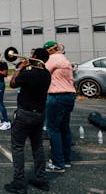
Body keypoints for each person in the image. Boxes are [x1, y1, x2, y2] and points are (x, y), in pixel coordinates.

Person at [4, 48, 52, 194]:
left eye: (32, 55)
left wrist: (19, 68)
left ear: (36, 57)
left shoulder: (28, 72)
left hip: (25, 114)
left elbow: (12, 83)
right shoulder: (46, 74)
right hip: (39, 114)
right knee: (37, 147)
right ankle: (41, 179)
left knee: (18, 147)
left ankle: (19, 183)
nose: (30, 57)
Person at [43, 40, 76, 173]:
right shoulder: (64, 59)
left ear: (50, 50)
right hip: (69, 95)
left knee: (53, 130)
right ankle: (66, 160)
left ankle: (58, 163)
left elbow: (43, 73)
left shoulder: (52, 58)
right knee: (64, 128)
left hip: (57, 96)